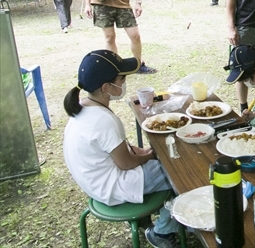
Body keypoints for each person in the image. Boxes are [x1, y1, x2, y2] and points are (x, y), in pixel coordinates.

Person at [62, 50, 181, 247]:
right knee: (178, 170)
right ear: (106, 87)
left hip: (95, 182)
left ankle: (149, 219)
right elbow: (126, 163)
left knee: (162, 160)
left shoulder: (83, 107)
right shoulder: (102, 120)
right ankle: (162, 233)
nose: (124, 82)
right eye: (121, 78)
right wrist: (151, 155)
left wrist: (147, 154)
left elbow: (120, 149)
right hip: (113, 186)